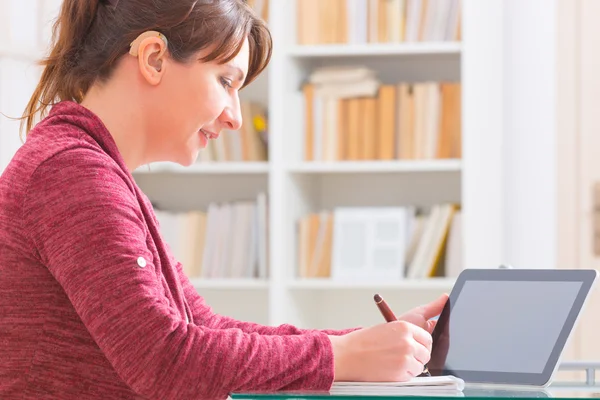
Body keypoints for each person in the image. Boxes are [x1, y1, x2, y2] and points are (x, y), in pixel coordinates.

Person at [0, 0, 449, 399]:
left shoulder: (92, 170)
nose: (235, 117)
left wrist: (369, 343)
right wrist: (342, 354)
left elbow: (203, 329)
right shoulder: (70, 172)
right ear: (154, 58)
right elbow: (167, 361)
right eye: (226, 81)